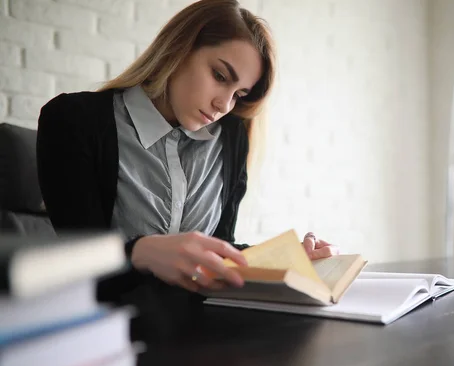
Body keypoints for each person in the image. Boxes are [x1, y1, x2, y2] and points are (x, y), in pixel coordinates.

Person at [36, 0, 338, 300]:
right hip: (107, 331)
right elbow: (79, 263)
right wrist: (140, 252)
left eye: (239, 94)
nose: (224, 105)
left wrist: (284, 259)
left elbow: (218, 251)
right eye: (220, 76)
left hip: (201, 332)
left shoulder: (230, 138)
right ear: (178, 50)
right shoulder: (73, 120)